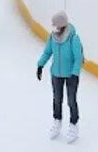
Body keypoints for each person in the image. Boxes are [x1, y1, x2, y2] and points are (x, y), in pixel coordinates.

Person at [36, 11, 85, 143]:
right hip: (56, 74)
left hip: (71, 75)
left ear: (62, 25)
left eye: (56, 25)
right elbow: (47, 52)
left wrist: (75, 73)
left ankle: (74, 124)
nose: (54, 28)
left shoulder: (73, 38)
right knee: (57, 99)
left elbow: (78, 58)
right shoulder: (53, 37)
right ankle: (57, 120)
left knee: (71, 101)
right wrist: (40, 65)